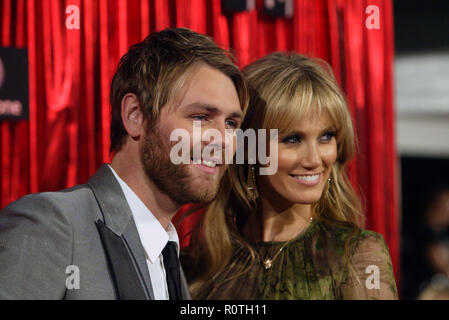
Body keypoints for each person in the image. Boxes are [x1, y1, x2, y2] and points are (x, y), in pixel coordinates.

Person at [0, 28, 248, 299]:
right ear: (135, 115)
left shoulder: (170, 256)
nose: (223, 141)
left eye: (231, 124)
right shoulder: (53, 225)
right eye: (200, 117)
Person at [181, 52, 398, 300]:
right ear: (248, 148)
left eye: (326, 136)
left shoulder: (356, 255)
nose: (315, 159)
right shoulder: (197, 264)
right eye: (293, 139)